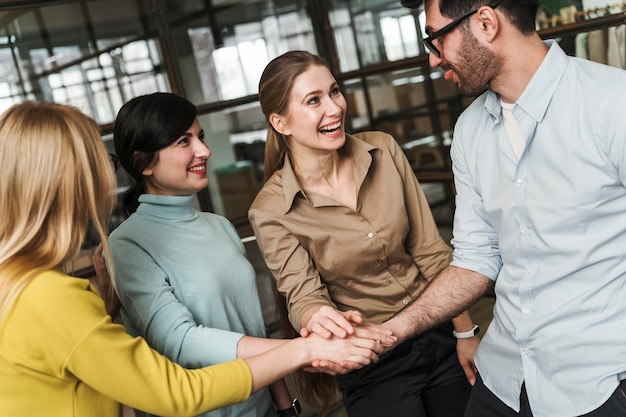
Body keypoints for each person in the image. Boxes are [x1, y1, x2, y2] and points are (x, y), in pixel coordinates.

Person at [0, 101, 383, 417]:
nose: (104, 175)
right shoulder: (63, 287)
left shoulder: (218, 225)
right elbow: (175, 374)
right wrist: (307, 348)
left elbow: (247, 325)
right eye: (184, 141)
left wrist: (286, 405)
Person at [384, 1, 626, 416]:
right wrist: (393, 330)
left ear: (485, 22)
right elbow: (476, 259)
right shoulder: (469, 130)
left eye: (436, 37)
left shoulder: (612, 103)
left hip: (599, 383)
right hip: (504, 378)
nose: (432, 56)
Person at [248, 50, 480, 417]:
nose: (334, 108)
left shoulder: (383, 150)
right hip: (372, 359)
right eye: (314, 100)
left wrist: (465, 334)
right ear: (281, 122)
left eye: (334, 91)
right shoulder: (271, 209)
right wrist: (320, 322)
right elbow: (304, 297)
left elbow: (429, 251)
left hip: (438, 330)